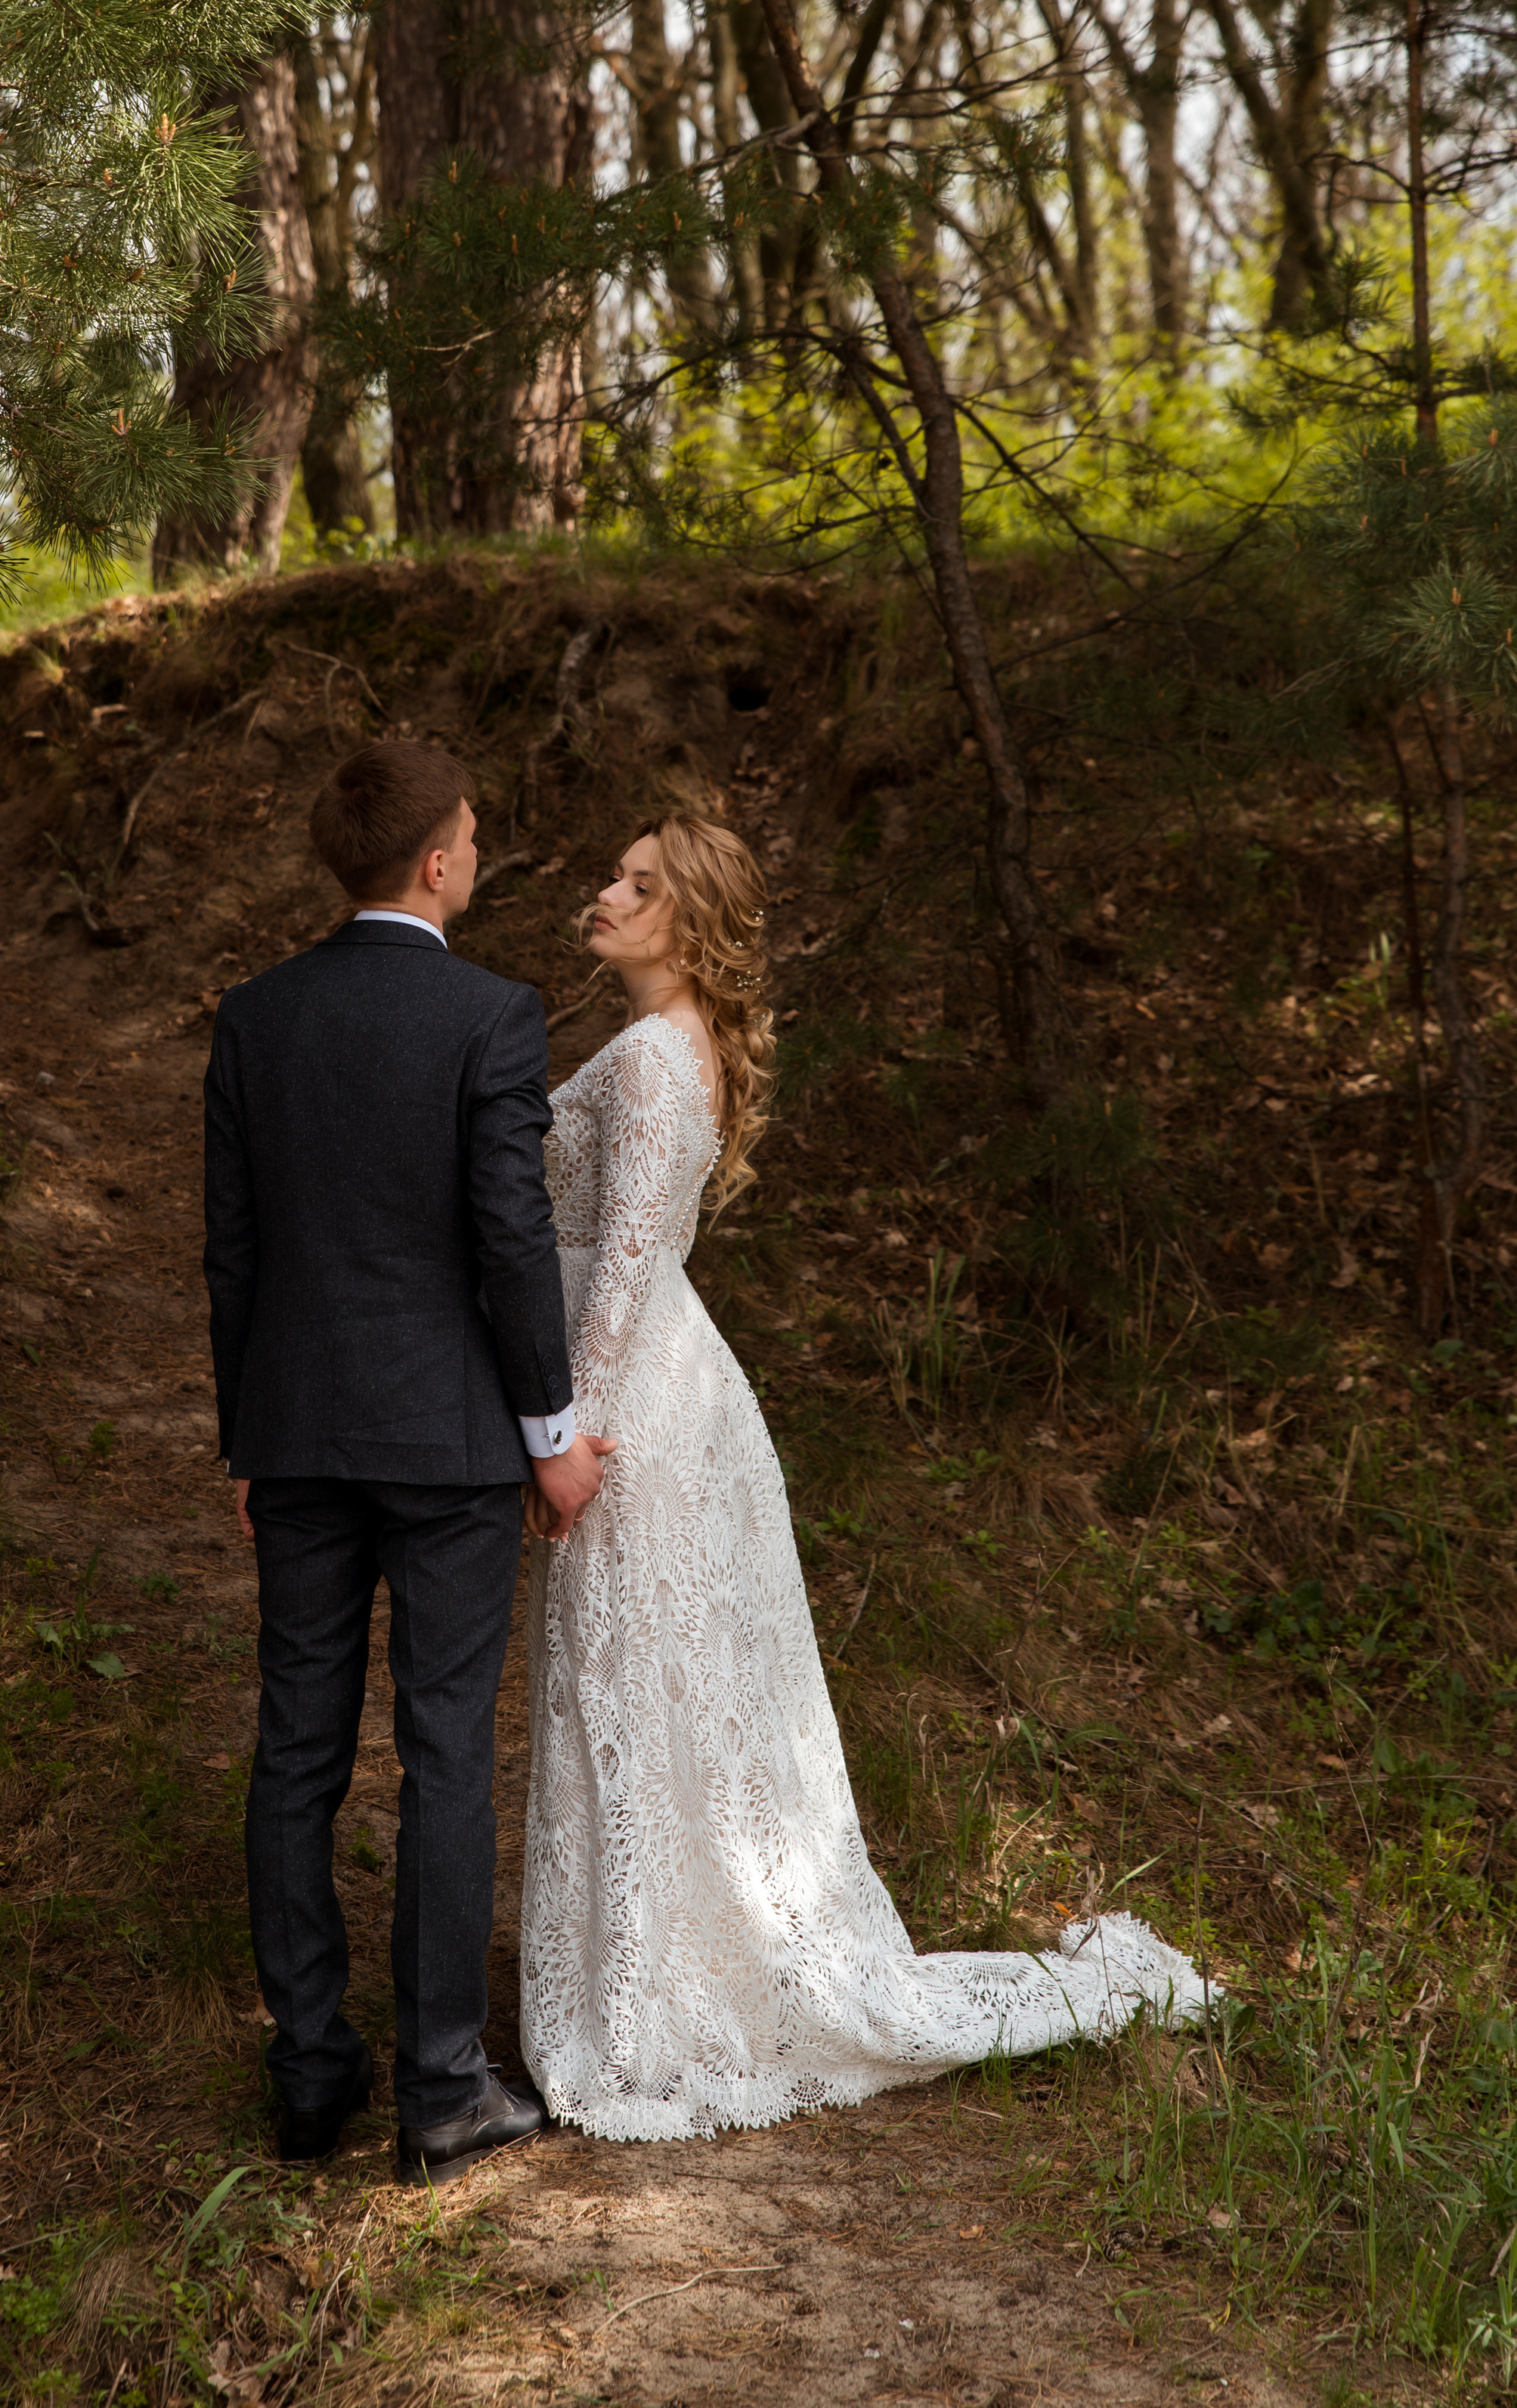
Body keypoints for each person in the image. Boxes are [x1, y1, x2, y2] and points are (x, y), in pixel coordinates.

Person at [520, 814, 1205, 2140]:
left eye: (639, 885)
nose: (604, 891)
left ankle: (664, 2002)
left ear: (691, 927)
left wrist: (573, 1440)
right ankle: (659, 1970)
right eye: (614, 872)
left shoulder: (658, 1058)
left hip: (637, 1406)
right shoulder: (668, 1043)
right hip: (663, 1388)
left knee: (637, 1683)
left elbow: (627, 1263)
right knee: (653, 1690)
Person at [203, 741, 614, 2186]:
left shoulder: (256, 1016)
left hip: (298, 1431)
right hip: (448, 1445)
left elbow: (234, 1248)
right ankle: (441, 2089)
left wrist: (246, 1435)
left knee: (297, 1745)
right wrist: (552, 1436)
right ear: (436, 863)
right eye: (475, 837)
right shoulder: (490, 1014)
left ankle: (310, 2075)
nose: (479, 854)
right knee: (444, 1750)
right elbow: (510, 1237)